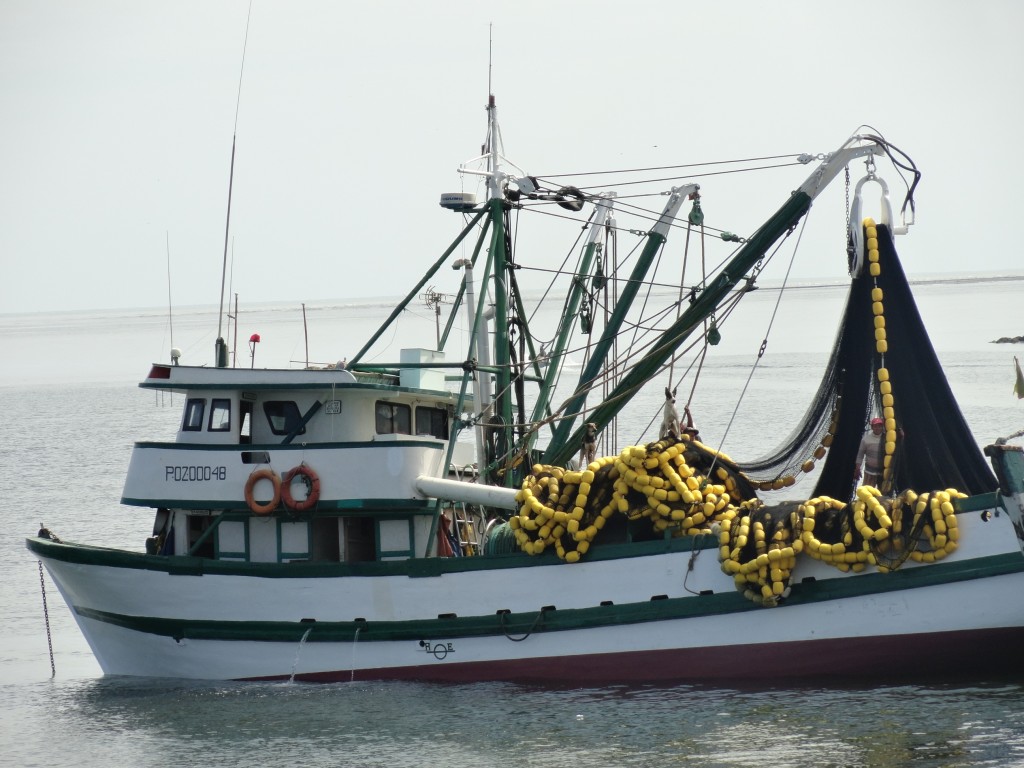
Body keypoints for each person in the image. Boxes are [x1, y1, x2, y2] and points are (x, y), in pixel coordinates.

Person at [855, 417, 884, 486]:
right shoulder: (866, 439)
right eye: (875, 426)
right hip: (869, 472)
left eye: (879, 426)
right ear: (872, 427)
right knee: (867, 493)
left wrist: (901, 436)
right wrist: (857, 469)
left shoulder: (886, 438)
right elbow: (860, 455)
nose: (877, 428)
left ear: (882, 427)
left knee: (882, 495)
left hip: (883, 473)